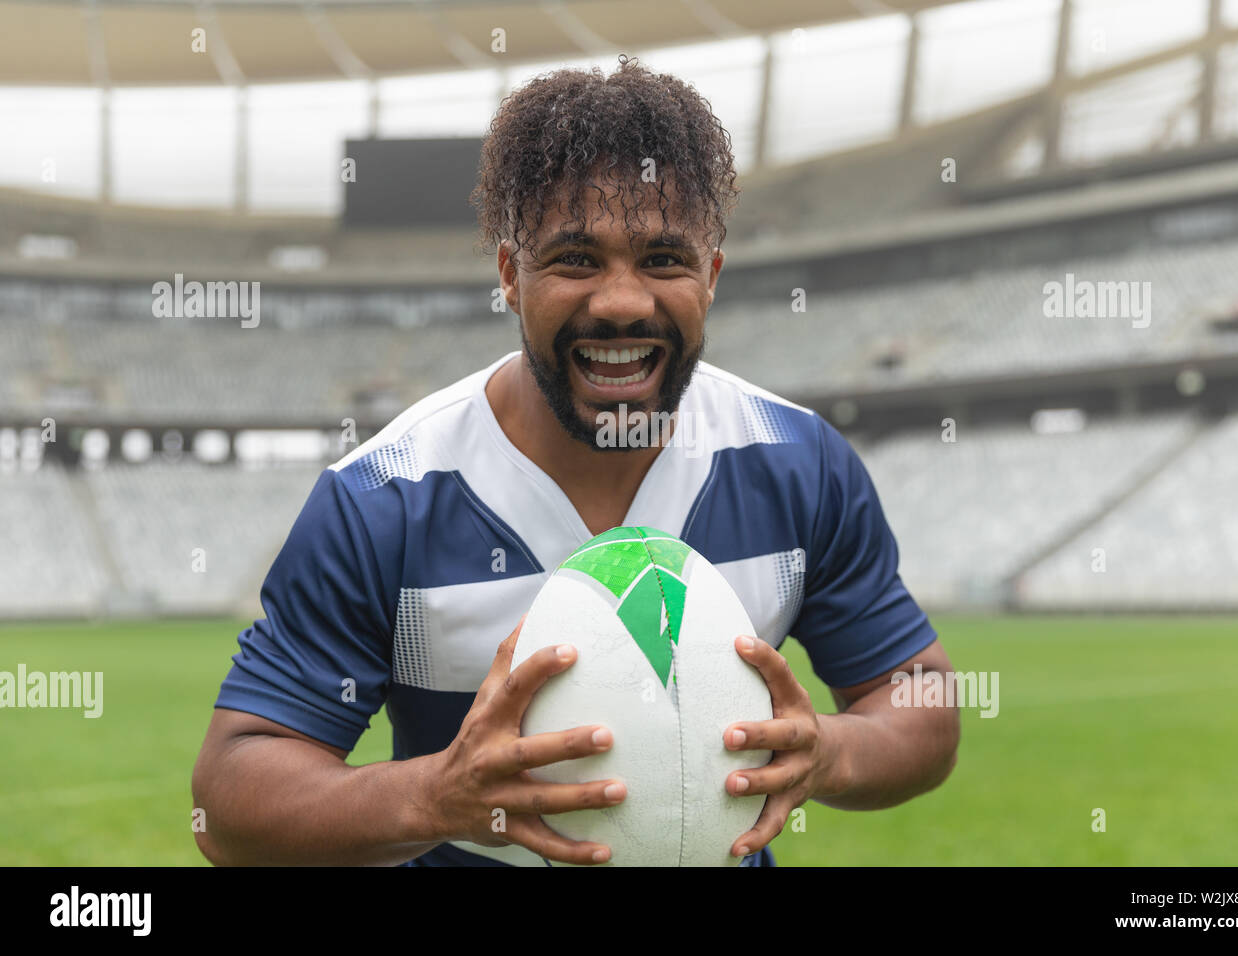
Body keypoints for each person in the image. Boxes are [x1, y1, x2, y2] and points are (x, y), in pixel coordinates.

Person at [192, 55, 958, 867]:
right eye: (576, 259)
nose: (622, 302)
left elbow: (921, 704)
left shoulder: (798, 464)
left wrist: (828, 752)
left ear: (712, 277)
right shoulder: (385, 499)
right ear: (510, 276)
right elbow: (231, 799)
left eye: (664, 259)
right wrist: (432, 794)